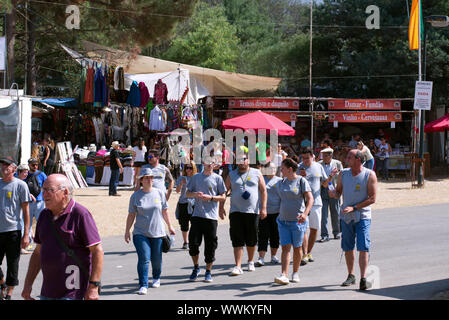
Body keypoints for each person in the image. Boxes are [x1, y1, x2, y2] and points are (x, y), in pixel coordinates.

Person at [21, 174, 103, 300]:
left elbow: (97, 251)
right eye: (44, 189)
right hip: (48, 292)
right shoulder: (44, 215)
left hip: (74, 292)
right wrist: (27, 285)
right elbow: (38, 253)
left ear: (65, 192)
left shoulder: (81, 214)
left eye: (50, 190)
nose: (44, 194)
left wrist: (93, 287)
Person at [329, 149, 377, 290]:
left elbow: (372, 198)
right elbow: (338, 192)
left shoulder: (369, 174)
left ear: (358, 159)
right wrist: (333, 194)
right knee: (348, 247)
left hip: (362, 216)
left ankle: (363, 278)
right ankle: (351, 275)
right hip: (346, 216)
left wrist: (355, 207)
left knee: (363, 247)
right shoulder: (343, 174)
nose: (346, 159)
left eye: (349, 157)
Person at [125, 168, 175, 295]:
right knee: (144, 258)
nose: (149, 179)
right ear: (141, 180)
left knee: (156, 259)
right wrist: (127, 231)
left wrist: (170, 226)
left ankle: (156, 277)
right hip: (140, 233)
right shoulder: (135, 196)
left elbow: (165, 211)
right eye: (146, 177)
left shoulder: (159, 193)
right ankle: (143, 284)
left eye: (151, 177)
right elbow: (131, 215)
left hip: (158, 232)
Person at [219, 153, 267, 276]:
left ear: (248, 160)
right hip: (236, 211)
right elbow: (224, 191)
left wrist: (264, 208)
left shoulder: (256, 172)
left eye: (243, 159)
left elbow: (263, 190)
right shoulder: (232, 174)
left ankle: (250, 261)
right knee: (237, 238)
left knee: (252, 238)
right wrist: (221, 207)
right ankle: (238, 265)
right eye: (239, 160)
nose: (241, 162)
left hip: (252, 211)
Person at [185, 159, 227, 283]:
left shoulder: (218, 178)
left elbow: (223, 196)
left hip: (211, 217)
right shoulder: (196, 177)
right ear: (203, 163)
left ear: (214, 165)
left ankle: (208, 271)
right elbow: (187, 193)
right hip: (197, 215)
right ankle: (196, 267)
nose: (209, 165)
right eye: (207, 162)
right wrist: (195, 195)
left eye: (212, 163)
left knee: (210, 246)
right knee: (193, 243)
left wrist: (211, 198)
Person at [273, 158, 313, 285]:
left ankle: (295, 273)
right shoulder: (281, 182)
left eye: (282, 168)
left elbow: (310, 199)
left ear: (290, 169)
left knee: (297, 248)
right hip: (283, 221)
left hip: (298, 222)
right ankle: (283, 274)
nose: (281, 170)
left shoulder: (301, 181)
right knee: (285, 248)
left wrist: (305, 214)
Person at [0, 157, 31, 300]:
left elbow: (26, 210)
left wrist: (26, 234)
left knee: (13, 263)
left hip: (13, 230)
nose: (3, 168)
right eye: (2, 165)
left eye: (7, 165)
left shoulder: (20, 185)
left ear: (14, 169)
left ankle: (9, 294)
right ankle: (2, 283)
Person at [298, 149, 335, 265]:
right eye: (303, 158)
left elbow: (325, 183)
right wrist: (300, 176)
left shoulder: (318, 167)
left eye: (307, 158)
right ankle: (304, 254)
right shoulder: (298, 167)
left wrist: (330, 180)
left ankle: (308, 252)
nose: (304, 160)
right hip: (302, 203)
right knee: (303, 229)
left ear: (312, 157)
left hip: (316, 202)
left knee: (314, 229)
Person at [255, 162, 282, 267]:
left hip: (277, 212)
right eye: (270, 168)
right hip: (263, 212)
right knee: (263, 234)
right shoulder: (261, 180)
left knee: (275, 235)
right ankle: (261, 257)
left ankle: (273, 256)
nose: (273, 170)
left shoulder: (280, 181)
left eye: (274, 168)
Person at [318, 147, 343, 242]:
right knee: (323, 214)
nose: (323, 157)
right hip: (323, 190)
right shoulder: (319, 164)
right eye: (322, 155)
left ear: (330, 155)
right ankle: (324, 235)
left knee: (335, 212)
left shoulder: (337, 163)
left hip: (334, 190)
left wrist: (339, 190)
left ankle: (336, 232)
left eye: (325, 156)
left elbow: (341, 177)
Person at [25, 158, 48, 249]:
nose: (35, 166)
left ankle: (44, 242)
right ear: (29, 165)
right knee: (28, 223)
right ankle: (29, 243)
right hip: (27, 202)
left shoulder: (42, 174)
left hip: (40, 202)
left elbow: (47, 185)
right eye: (33, 165)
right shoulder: (25, 174)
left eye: (36, 165)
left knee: (42, 223)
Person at [175, 162, 197, 249]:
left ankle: (193, 241)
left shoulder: (196, 178)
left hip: (193, 203)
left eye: (190, 168)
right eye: (187, 168)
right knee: (184, 224)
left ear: (193, 168)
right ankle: (185, 242)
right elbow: (177, 191)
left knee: (195, 223)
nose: (188, 170)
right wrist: (181, 184)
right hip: (183, 203)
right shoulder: (182, 178)